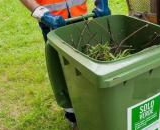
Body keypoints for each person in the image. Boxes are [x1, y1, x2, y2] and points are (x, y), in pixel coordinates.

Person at [20, 0, 111, 129]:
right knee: (62, 67)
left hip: (81, 17)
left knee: (84, 66)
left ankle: (90, 105)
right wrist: (42, 14)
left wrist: (102, 2)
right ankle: (72, 114)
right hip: (51, 21)